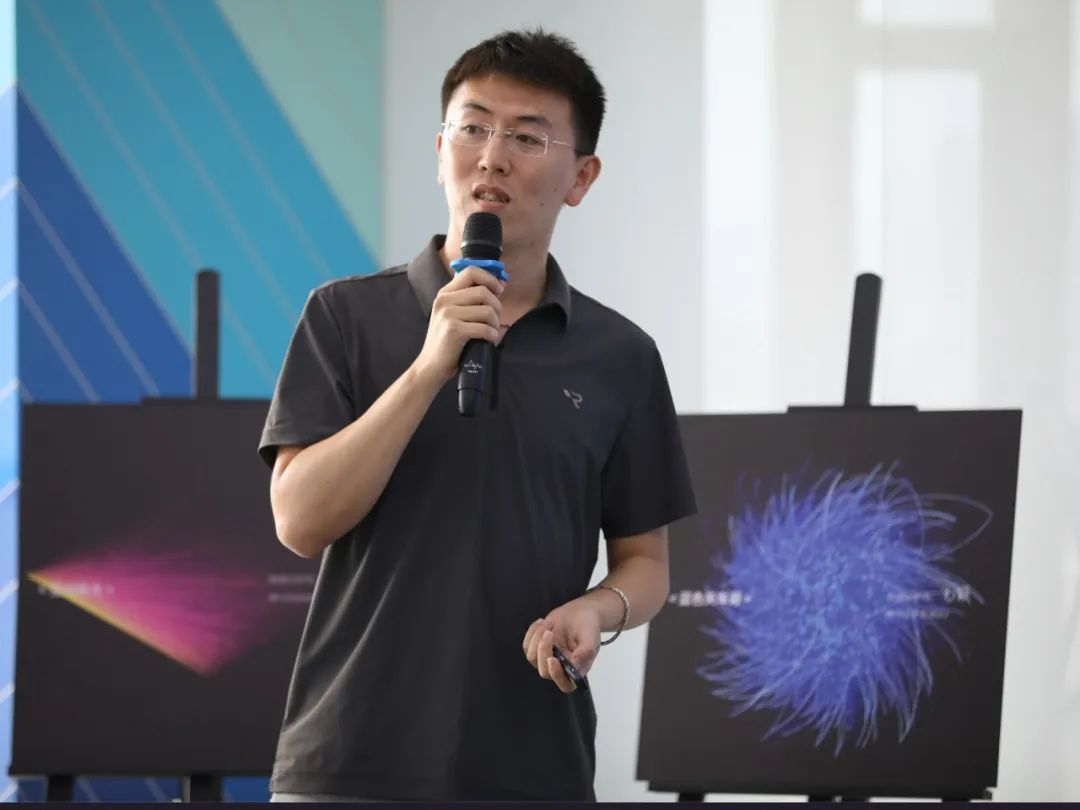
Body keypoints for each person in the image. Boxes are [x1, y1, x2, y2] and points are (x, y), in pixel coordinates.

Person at [258, 28, 697, 802]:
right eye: (473, 127)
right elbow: (299, 521)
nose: (492, 157)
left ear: (581, 176)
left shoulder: (620, 355)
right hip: (350, 760)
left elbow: (647, 562)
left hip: (533, 764)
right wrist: (429, 366)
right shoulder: (344, 317)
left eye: (527, 136)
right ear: (440, 152)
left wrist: (599, 609)